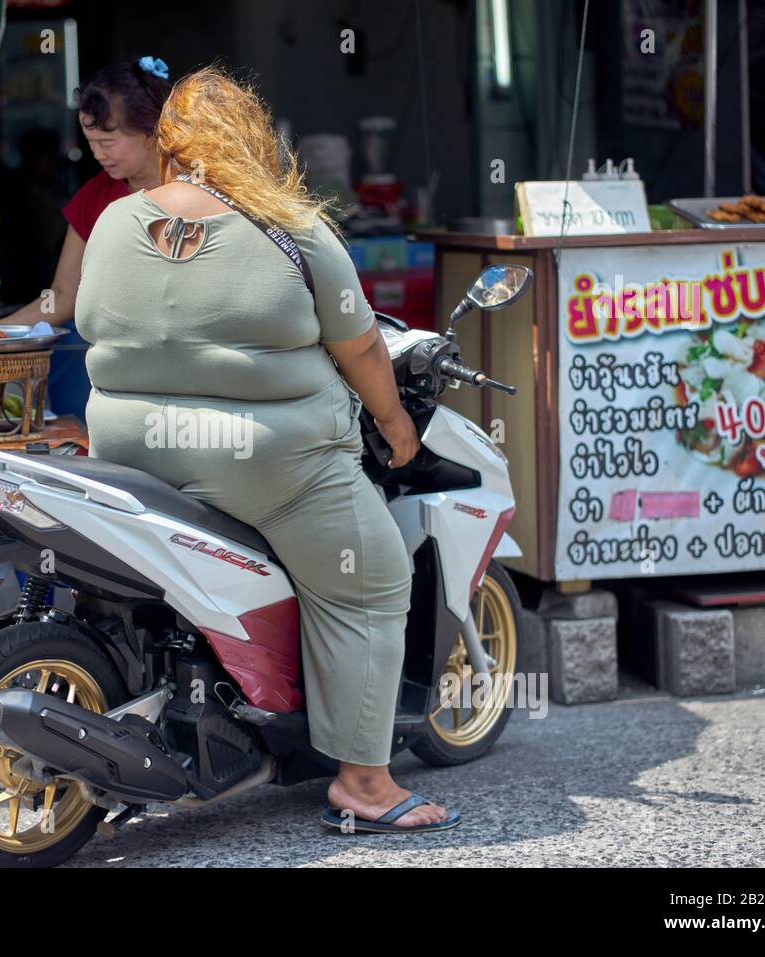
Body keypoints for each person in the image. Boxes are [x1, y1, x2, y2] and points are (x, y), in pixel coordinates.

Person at [74, 67, 459, 832]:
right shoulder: (293, 229)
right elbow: (364, 353)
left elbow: (92, 323)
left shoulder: (118, 221)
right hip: (265, 467)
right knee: (373, 577)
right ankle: (366, 784)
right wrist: (398, 426)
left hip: (129, 455)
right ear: (255, 140)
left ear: (171, 142)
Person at [5, 56, 172, 420]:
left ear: (151, 130)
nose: (97, 153)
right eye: (90, 140)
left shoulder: (199, 190)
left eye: (108, 141)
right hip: (107, 379)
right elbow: (64, 296)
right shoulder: (94, 197)